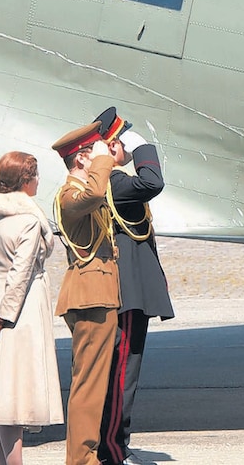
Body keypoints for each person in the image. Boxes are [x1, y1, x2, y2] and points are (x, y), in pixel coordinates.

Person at [0, 151, 64, 465]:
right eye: (35, 176)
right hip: (20, 311)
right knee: (13, 403)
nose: (38, 181)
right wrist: (0, 319)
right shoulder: (30, 220)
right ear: (25, 180)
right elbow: (21, 275)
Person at [92, 108, 173, 465]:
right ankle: (112, 449)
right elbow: (153, 182)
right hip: (127, 296)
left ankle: (116, 445)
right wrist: (142, 147)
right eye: (121, 141)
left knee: (123, 374)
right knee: (122, 375)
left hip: (129, 293)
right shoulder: (114, 184)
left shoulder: (111, 184)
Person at [52, 122, 121, 465]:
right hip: (90, 295)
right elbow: (94, 194)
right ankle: (81, 459)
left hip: (99, 292)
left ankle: (85, 456)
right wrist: (101, 162)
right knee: (88, 385)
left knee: (94, 383)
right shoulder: (71, 194)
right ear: (81, 158)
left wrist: (107, 160)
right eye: (94, 151)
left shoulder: (85, 189)